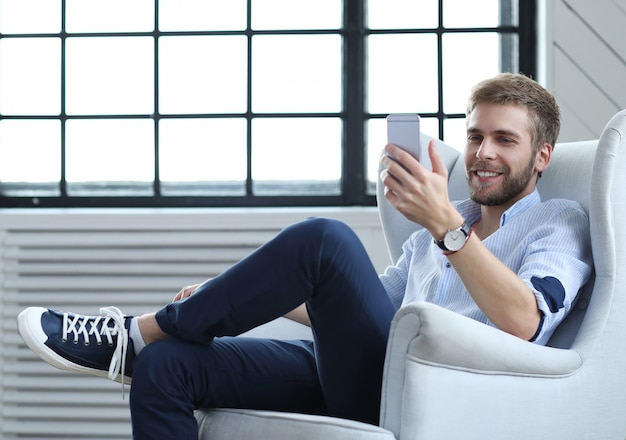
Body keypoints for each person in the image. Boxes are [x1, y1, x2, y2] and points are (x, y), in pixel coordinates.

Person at [17, 73, 593, 440]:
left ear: (542, 156)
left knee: (328, 239)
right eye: (475, 136)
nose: (483, 152)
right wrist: (231, 293)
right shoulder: (435, 230)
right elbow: (361, 312)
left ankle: (137, 332)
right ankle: (153, 344)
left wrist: (445, 226)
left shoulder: (558, 221)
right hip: (356, 368)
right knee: (167, 370)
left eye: (505, 140)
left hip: (423, 390)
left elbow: (526, 321)